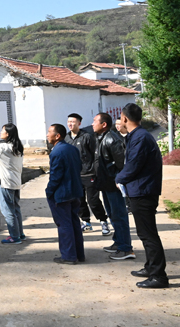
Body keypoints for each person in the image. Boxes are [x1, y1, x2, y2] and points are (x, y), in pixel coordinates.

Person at [116, 103, 169, 289]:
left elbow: (133, 165)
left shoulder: (140, 137)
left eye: (120, 118)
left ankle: (158, 276)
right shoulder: (136, 136)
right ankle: (150, 267)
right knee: (144, 233)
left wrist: (119, 178)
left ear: (124, 118)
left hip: (143, 191)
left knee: (148, 235)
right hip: (140, 190)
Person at [91, 113, 135, 261]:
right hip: (106, 184)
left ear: (104, 124)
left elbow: (122, 164)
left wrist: (119, 181)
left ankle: (126, 248)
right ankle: (118, 242)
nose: (92, 124)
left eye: (95, 121)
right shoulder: (101, 138)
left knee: (119, 216)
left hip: (113, 185)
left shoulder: (112, 140)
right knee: (112, 215)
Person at [45, 123, 85, 264]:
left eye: (49, 132)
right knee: (74, 223)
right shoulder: (72, 149)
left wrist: (49, 191)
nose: (47, 135)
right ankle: (79, 254)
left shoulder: (56, 152)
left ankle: (69, 256)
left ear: (57, 136)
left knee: (64, 225)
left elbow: (56, 176)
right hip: (75, 191)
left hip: (62, 194)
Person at [65, 113, 110, 235]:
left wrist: (95, 171)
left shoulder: (87, 137)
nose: (70, 124)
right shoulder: (66, 138)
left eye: (73, 122)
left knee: (93, 200)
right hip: (75, 175)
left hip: (89, 174)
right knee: (79, 200)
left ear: (79, 123)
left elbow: (95, 155)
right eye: (69, 121)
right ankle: (86, 222)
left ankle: (103, 221)